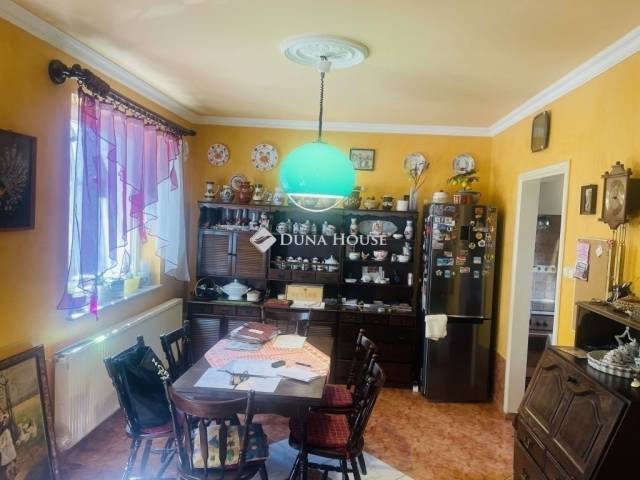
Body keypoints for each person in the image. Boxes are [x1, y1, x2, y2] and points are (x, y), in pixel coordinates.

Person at [0, 408, 17, 480]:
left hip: (10, 454)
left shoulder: (7, 423)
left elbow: (15, 435)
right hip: (3, 458)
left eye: (0, 413)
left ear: (2, 413)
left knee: (11, 473)